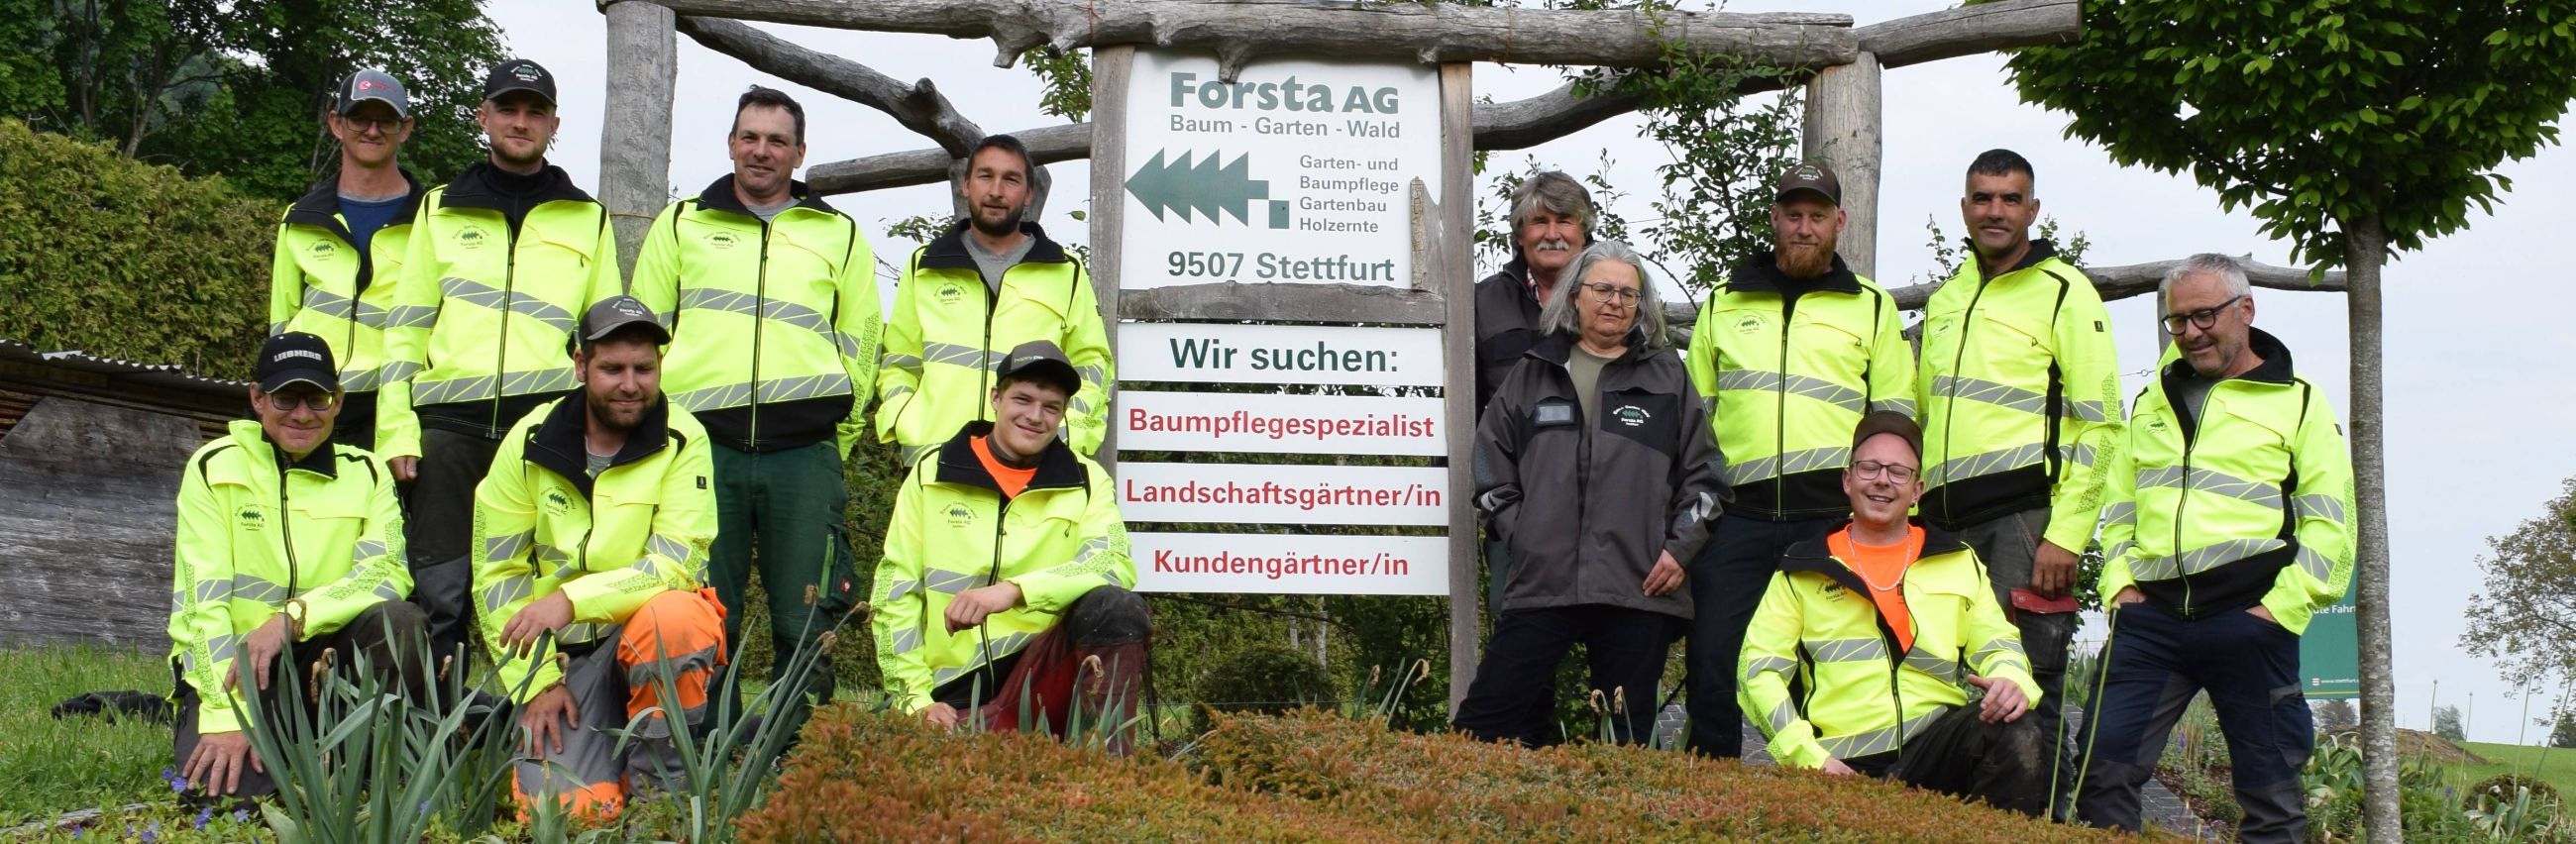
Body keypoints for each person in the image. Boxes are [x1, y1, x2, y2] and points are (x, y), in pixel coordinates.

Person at [628, 85, 878, 739]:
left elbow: (861, 344)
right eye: (750, 137)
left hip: (806, 452)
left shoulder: (839, 234)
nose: (761, 150)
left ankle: (796, 754)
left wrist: (838, 439)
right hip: (701, 451)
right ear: (731, 143)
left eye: (776, 140)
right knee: (706, 607)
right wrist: (659, 438)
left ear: (799, 152)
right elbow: (644, 337)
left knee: (808, 613)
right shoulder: (681, 223)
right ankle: (707, 749)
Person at [2076, 255, 2354, 842]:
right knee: (2101, 774)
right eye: (2177, 320)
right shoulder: (2151, 400)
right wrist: (2119, 586)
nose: (2191, 332)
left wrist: (2279, 611)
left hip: (2250, 621)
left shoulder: (2300, 402)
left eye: (2204, 316)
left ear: (2245, 309)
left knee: (2271, 801)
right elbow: (2120, 502)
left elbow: (2332, 523)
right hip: (2149, 622)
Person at [379, 58, 620, 665]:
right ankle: (435, 715)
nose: (520, 121)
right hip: (447, 426)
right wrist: (397, 429)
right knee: (441, 591)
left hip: (541, 430)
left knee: (542, 590)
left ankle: (540, 711)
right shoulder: (439, 208)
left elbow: (606, 342)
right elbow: (405, 329)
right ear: (483, 117)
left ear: (554, 125)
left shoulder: (588, 218)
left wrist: (601, 435)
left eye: (535, 112)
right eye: (507, 109)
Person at [1680, 161, 1913, 758]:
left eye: (1817, 215)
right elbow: (1692, 422)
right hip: (1735, 519)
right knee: (1713, 661)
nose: (1804, 227)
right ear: (1775, 220)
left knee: (1829, 671)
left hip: (1830, 523)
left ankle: (1826, 792)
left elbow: (1895, 421)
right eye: (1793, 215)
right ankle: (1710, 790)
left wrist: (1894, 518)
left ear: (1840, 221)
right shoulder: (1724, 302)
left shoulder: (1873, 307)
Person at [1454, 240, 1723, 747]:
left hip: (1639, 584)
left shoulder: (1668, 376)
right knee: (1480, 729)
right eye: (1603, 289)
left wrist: (1679, 549)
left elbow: (1706, 476)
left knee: (1624, 745)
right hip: (1545, 580)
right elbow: (1489, 466)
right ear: (1575, 295)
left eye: (1628, 293)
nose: (1615, 302)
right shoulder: (1532, 371)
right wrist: (1524, 535)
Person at [472, 296, 727, 816]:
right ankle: (606, 772)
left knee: (678, 616)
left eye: (643, 369)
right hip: (563, 659)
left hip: (645, 639)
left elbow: (677, 564)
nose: (630, 384)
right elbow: (497, 573)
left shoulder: (685, 438)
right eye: (612, 369)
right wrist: (538, 682)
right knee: (567, 814)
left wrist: (570, 600)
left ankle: (661, 799)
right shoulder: (528, 439)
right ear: (580, 364)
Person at [1915, 149, 2120, 793]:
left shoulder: (2066, 292)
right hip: (1941, 526)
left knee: (2027, 689)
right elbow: (1925, 416)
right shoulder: (1947, 299)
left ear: (2033, 209)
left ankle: (2041, 828)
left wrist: (2068, 534)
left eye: (2010, 199)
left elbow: (2102, 427)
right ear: (1964, 208)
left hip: (2024, 524)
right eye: (1983, 198)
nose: (1995, 211)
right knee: (1942, 683)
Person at [1739, 411, 2047, 814]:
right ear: (1848, 480)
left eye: (1899, 472)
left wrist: (2012, 681)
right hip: (1843, 762)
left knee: (2018, 730)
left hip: (1936, 750)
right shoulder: (1803, 567)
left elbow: (1998, 642)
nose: (1882, 480)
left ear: (1917, 490)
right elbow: (1757, 672)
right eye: (1869, 467)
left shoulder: (1958, 560)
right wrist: (1808, 757)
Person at [169, 332, 423, 801]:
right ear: (257, 399)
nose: (303, 414)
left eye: (317, 398)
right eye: (286, 398)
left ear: (338, 402)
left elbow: (387, 572)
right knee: (225, 801)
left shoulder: (368, 472)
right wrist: (224, 714)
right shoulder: (213, 467)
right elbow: (200, 603)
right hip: (241, 672)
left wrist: (293, 617)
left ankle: (358, 768)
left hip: (327, 666)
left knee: (401, 620)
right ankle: (266, 742)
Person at [871, 340, 1148, 746]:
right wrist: (915, 701)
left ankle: (1109, 768)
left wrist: (1014, 591)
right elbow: (894, 592)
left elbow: (1113, 562)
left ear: (1063, 414)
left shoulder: (1088, 480)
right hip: (954, 691)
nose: (1035, 416)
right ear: (996, 398)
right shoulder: (931, 473)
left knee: (1117, 607)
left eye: (1051, 407)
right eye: (1023, 399)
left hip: (1042, 677)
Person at [878, 135, 1113, 466]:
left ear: (1028, 193)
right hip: (933, 461)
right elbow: (899, 360)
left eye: (1011, 179)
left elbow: (1093, 364)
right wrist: (904, 418)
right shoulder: (924, 266)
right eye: (985, 176)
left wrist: (1066, 435)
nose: (996, 191)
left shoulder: (1065, 271)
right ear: (966, 184)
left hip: (1031, 464)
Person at [268, 68, 429, 451]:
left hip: (393, 410)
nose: (372, 131)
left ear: (405, 129)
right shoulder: (299, 218)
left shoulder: (432, 220)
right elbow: (281, 325)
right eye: (359, 118)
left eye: (385, 120)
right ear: (336, 124)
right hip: (311, 403)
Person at [1473, 171, 1594, 416]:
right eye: (1539, 221)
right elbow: (1464, 403)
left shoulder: (1615, 297)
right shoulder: (1482, 303)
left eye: (1564, 221)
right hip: (1509, 440)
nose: (1552, 234)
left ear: (1583, 233)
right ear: (1520, 234)